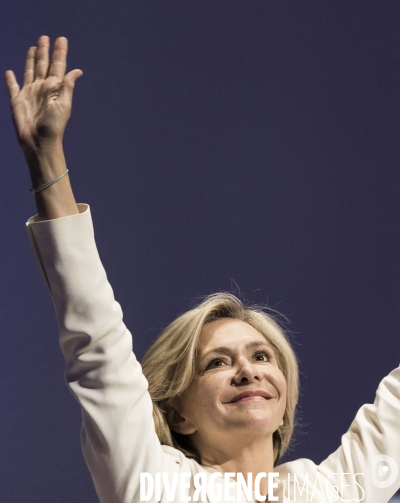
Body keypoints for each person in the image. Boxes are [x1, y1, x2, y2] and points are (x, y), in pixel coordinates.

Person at [4, 35, 400, 503]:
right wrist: (45, 158)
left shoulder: (330, 491)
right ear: (179, 414)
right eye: (216, 362)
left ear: (285, 400)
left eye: (261, 357)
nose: (246, 372)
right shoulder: (155, 484)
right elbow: (97, 345)